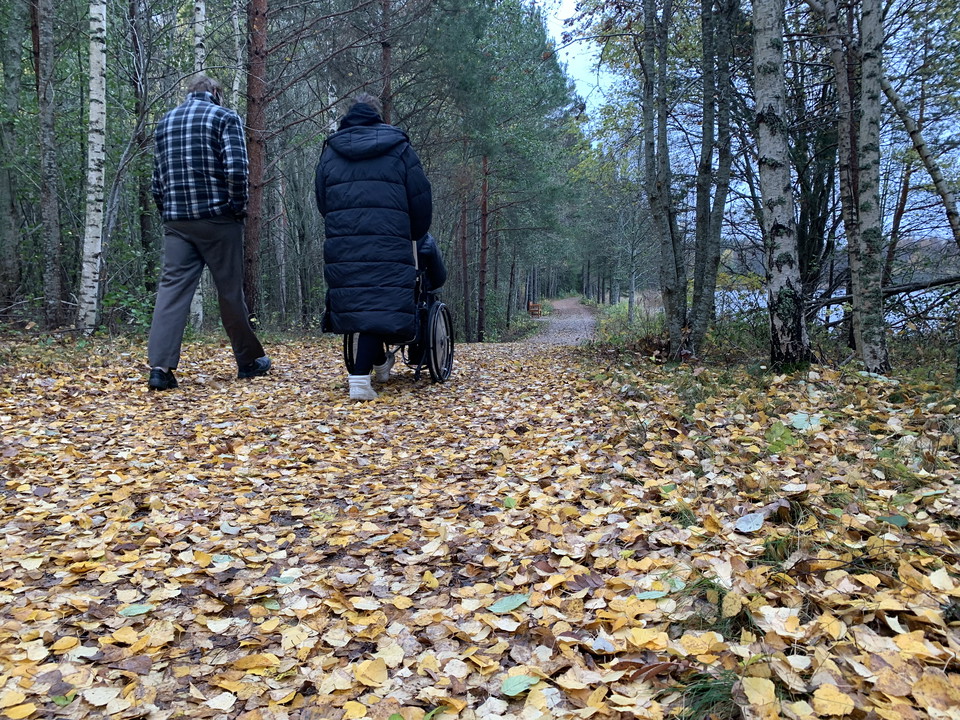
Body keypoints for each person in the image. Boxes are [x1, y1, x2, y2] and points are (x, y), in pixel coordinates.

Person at [146, 75, 271, 391]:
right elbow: (237, 169)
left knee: (171, 292)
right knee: (229, 292)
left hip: (177, 223)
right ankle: (248, 362)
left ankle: (160, 370)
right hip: (217, 219)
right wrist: (236, 208)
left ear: (190, 93)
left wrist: (167, 212)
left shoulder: (164, 123)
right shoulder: (225, 117)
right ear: (215, 93)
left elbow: (157, 179)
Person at [314, 92, 432, 400]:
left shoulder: (331, 151)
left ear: (347, 115)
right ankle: (359, 381)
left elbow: (323, 202)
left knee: (363, 303)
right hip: (390, 240)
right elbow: (421, 199)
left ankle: (379, 363)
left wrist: (343, 226)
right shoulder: (400, 149)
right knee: (379, 300)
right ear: (379, 115)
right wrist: (414, 234)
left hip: (345, 242)